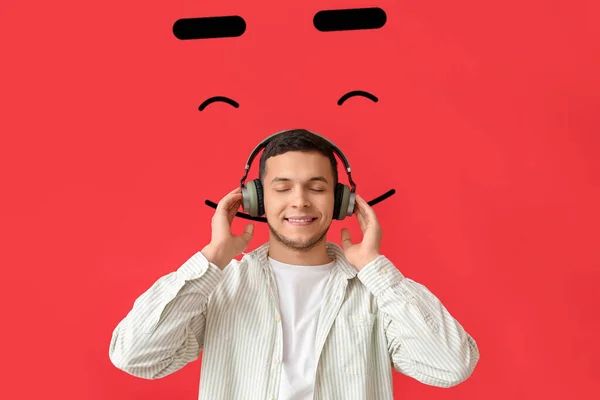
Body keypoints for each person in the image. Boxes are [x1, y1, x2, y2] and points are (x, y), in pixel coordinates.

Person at [109, 129, 480, 399]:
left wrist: (375, 267)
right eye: (282, 188)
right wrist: (213, 258)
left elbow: (451, 366)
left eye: (316, 188)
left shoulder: (374, 291)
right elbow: (135, 356)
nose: (299, 201)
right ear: (254, 201)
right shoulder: (221, 286)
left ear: (341, 202)